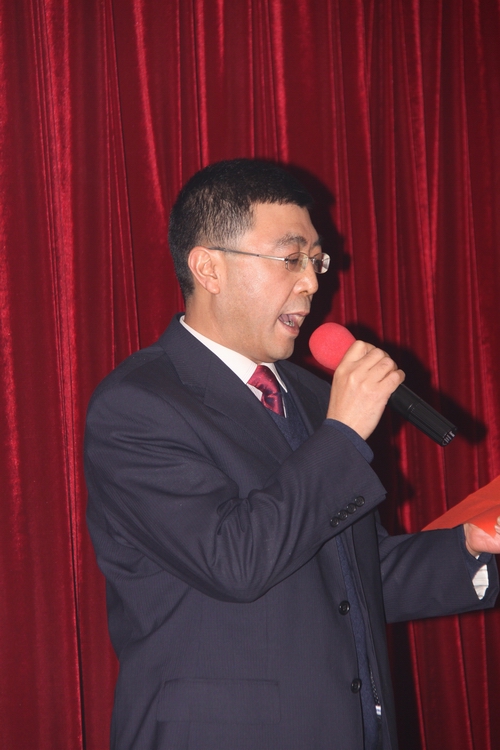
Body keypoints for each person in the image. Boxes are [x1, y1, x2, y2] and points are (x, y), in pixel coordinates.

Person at [85, 159, 499, 750]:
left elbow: (355, 573)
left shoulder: (311, 395)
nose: (311, 283)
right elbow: (235, 560)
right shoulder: (139, 404)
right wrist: (344, 433)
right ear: (208, 268)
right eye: (290, 258)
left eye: (316, 260)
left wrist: (470, 546)